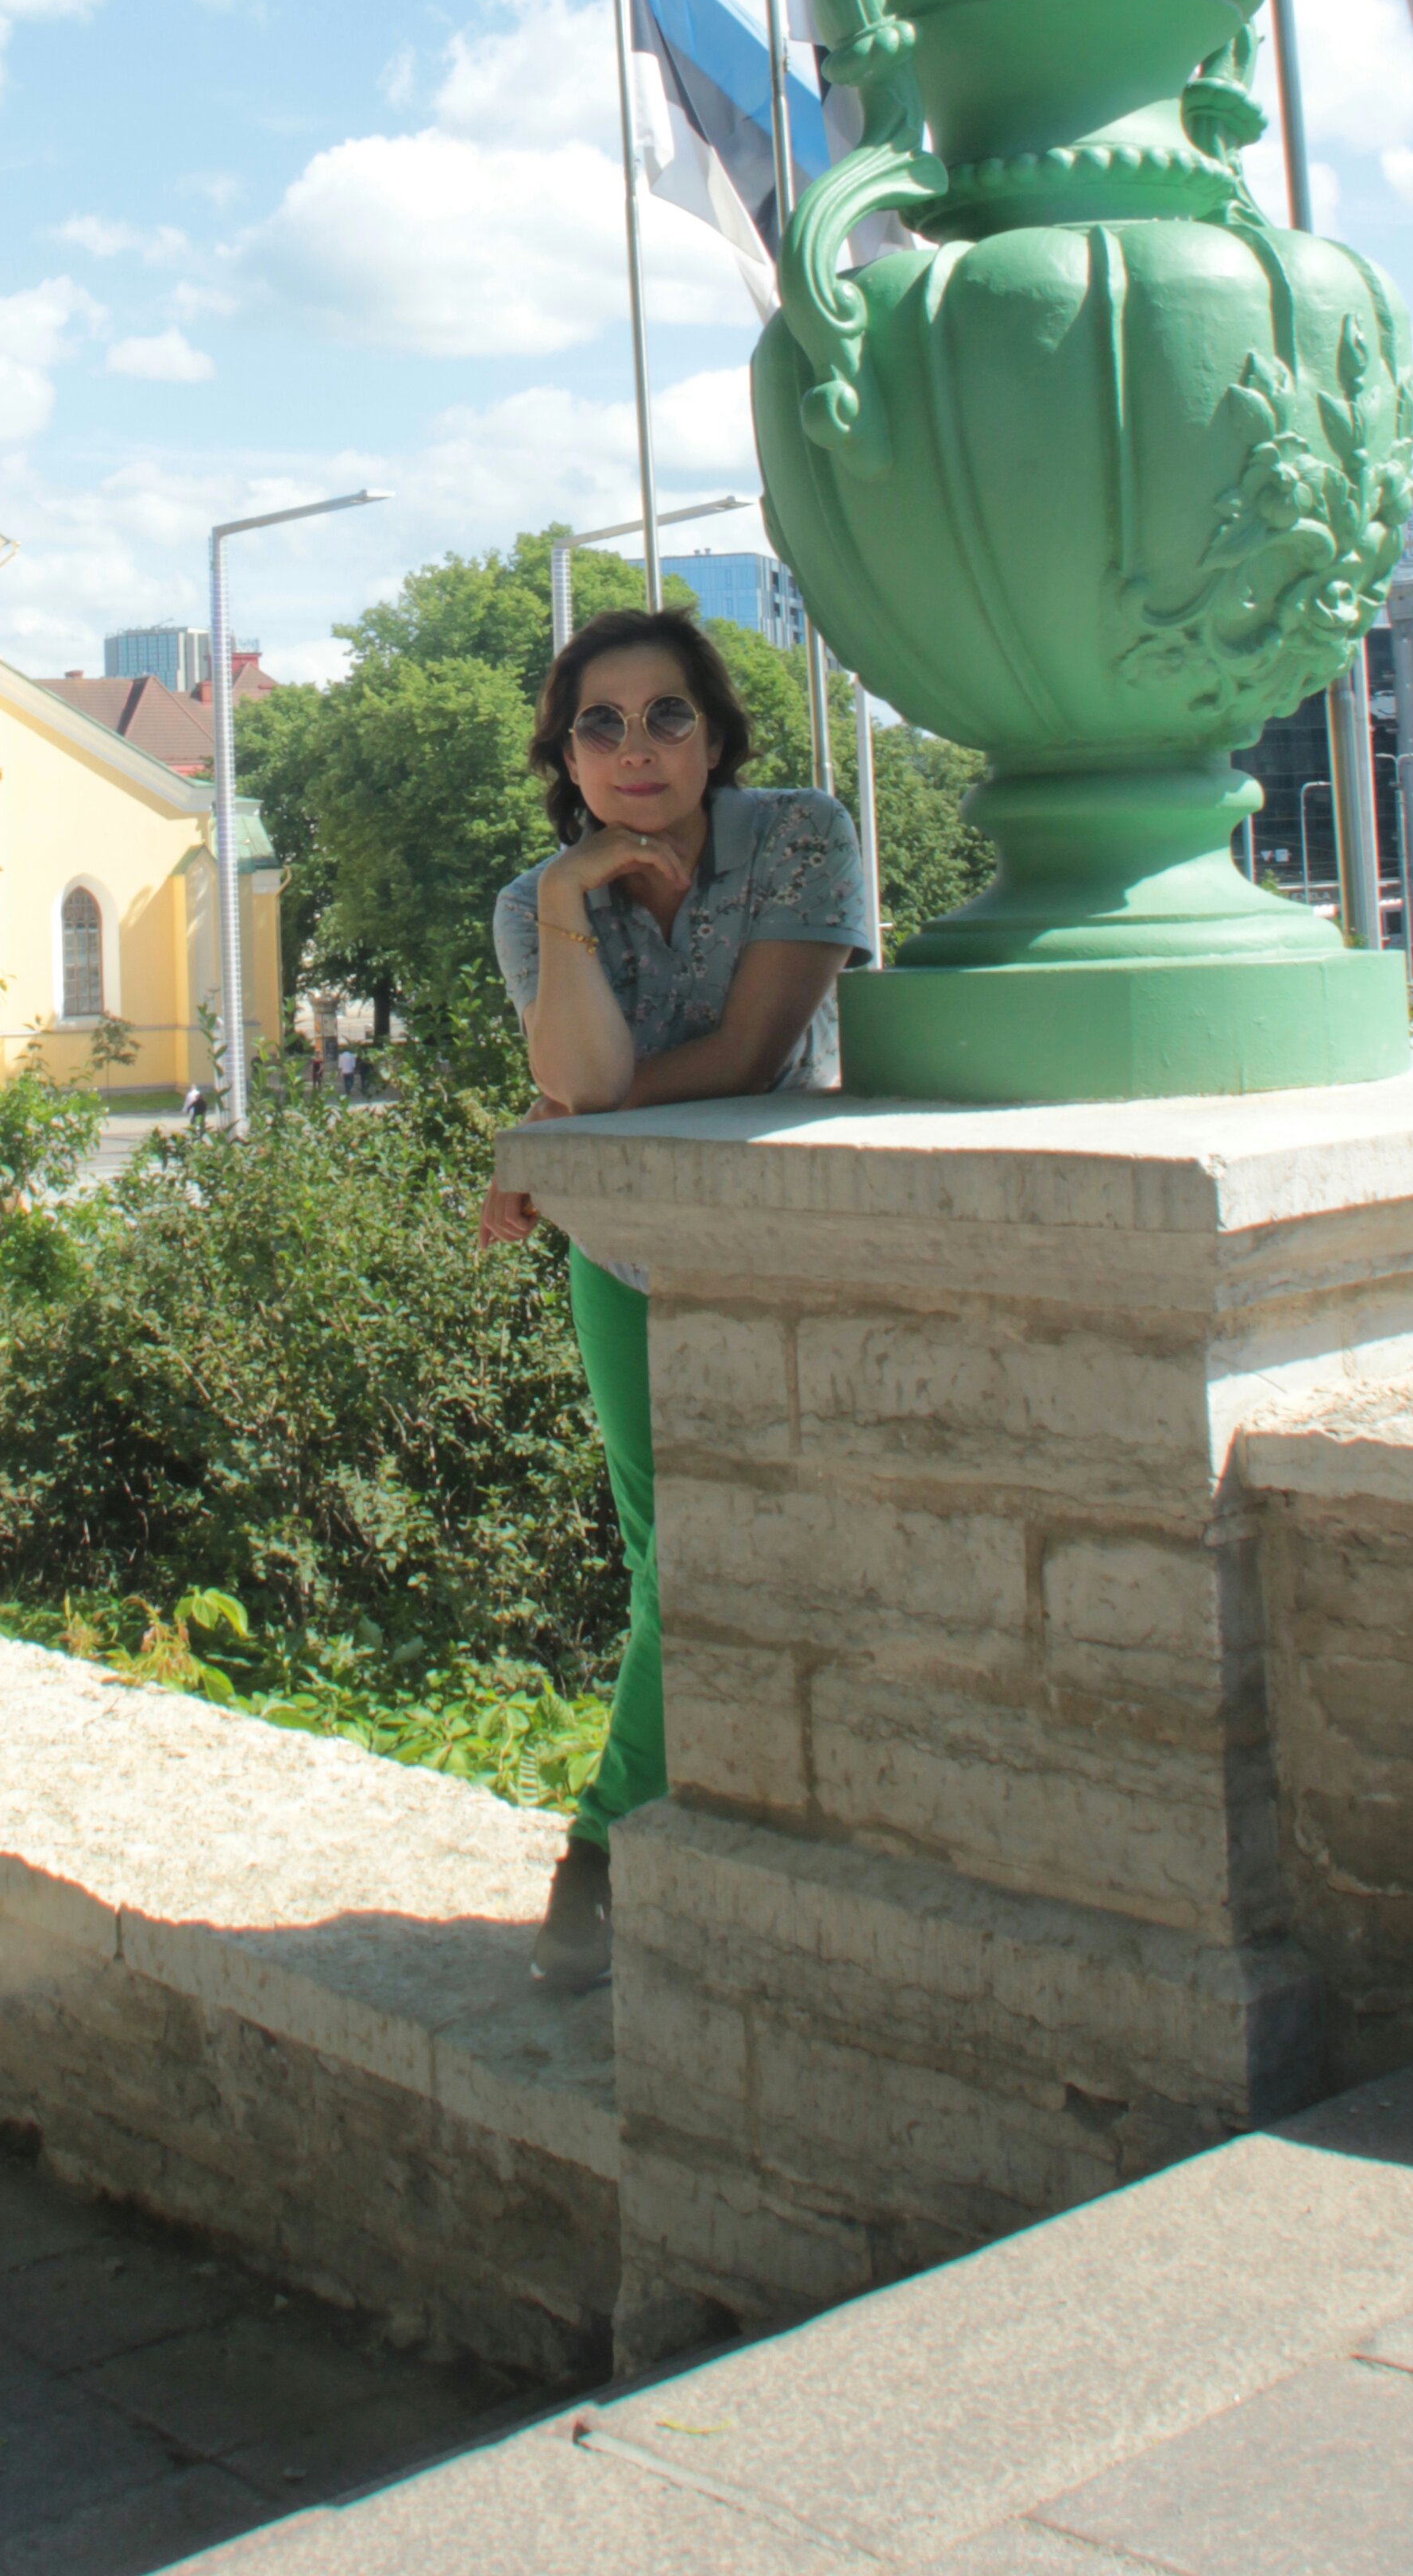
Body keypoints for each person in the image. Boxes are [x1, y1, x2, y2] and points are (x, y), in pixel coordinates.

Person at [485, 606, 869, 1995]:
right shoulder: (539, 899)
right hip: (630, 1254)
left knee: (784, 1552)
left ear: (717, 737)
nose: (636, 747)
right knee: (672, 1553)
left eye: (667, 716)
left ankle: (627, 1849)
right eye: (601, 722)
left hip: (788, 1247)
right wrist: (568, 919)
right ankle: (605, 1859)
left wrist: (552, 1131)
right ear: (565, 757)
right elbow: (590, 1080)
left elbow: (754, 1054)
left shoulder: (801, 837)